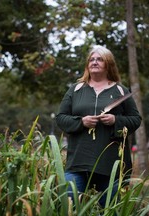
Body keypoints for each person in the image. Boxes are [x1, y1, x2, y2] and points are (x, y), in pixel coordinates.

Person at [55, 45, 141, 207]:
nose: (94, 62)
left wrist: (116, 121)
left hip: (111, 164)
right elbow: (61, 118)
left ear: (108, 64)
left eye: (99, 59)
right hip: (78, 162)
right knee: (69, 205)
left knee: (109, 209)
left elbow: (136, 119)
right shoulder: (75, 90)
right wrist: (81, 122)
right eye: (92, 59)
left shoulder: (120, 91)